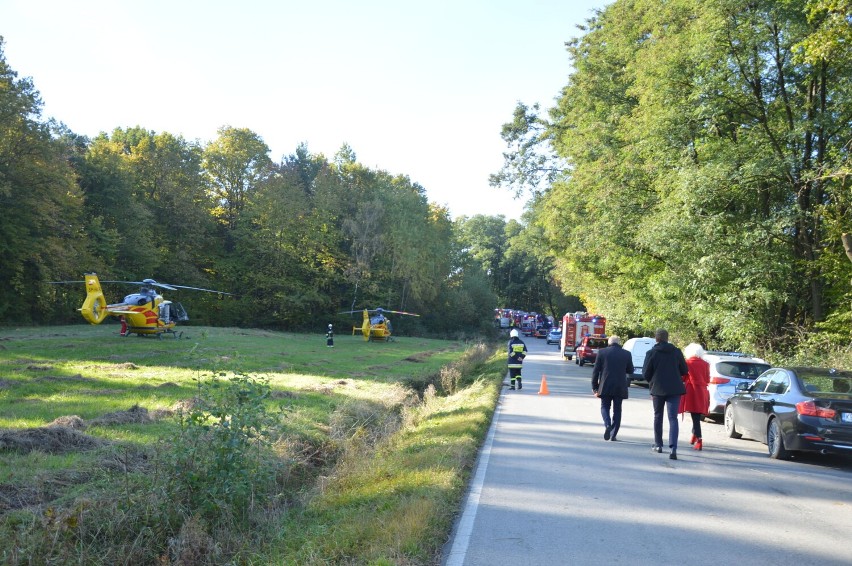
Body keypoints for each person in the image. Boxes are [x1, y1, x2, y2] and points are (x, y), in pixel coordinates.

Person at [642, 328, 688, 460]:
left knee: (658, 416)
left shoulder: (651, 353)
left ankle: (658, 445)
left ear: (656, 338)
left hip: (658, 388)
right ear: (667, 338)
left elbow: (646, 373)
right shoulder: (677, 352)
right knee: (673, 418)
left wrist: (652, 382)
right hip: (674, 388)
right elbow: (684, 369)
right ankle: (673, 448)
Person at [591, 335, 634, 441]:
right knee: (617, 410)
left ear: (609, 343)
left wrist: (595, 387)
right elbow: (630, 370)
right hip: (620, 386)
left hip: (605, 385)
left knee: (605, 406)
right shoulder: (626, 354)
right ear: (619, 343)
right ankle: (613, 434)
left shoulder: (602, 352)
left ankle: (607, 425)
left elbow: (595, 371)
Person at [680, 343, 710, 450]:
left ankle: (699, 438)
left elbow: (683, 377)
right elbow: (707, 379)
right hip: (702, 391)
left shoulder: (687, 363)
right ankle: (694, 434)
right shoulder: (706, 364)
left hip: (691, 391)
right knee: (696, 414)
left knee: (695, 416)